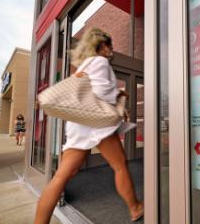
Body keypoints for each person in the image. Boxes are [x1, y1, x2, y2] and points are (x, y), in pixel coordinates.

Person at [34, 28, 143, 224]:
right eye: (109, 45)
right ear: (101, 47)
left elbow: (89, 91)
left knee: (60, 178)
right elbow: (101, 93)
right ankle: (135, 207)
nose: (112, 48)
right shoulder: (100, 62)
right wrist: (116, 95)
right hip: (96, 125)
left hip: (79, 126)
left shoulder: (85, 64)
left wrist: (118, 94)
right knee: (120, 166)